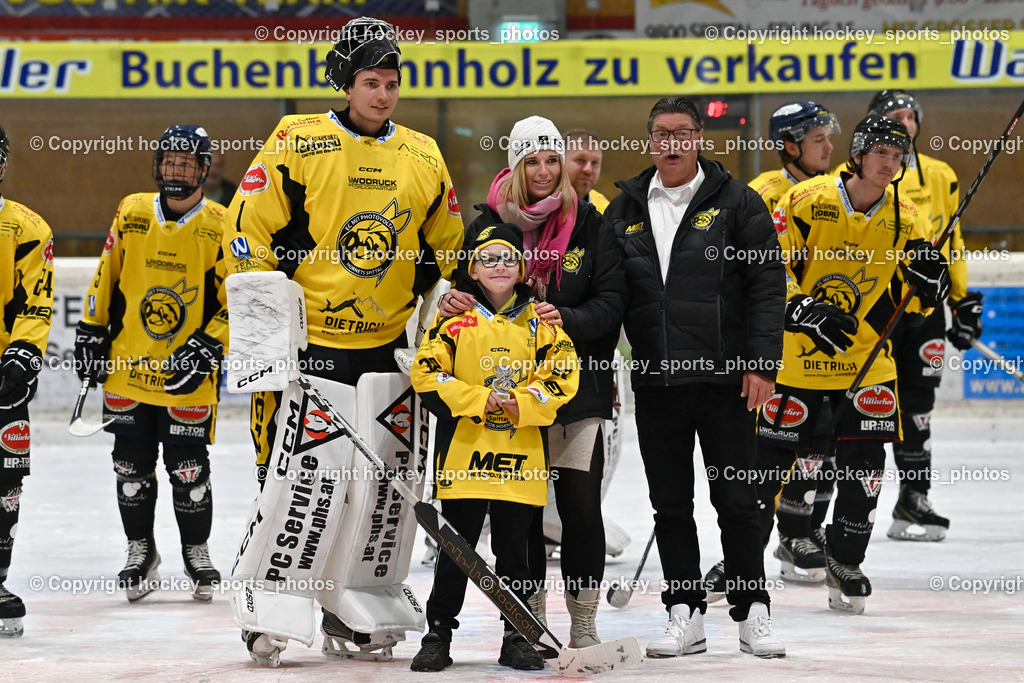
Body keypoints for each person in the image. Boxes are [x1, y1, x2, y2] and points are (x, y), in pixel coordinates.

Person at [221, 16, 464, 663]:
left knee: (379, 489)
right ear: (346, 84)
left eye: (392, 83)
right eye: (370, 82)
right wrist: (267, 347)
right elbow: (246, 235)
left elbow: (449, 253)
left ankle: (354, 598)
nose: (383, 94)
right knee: (304, 484)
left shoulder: (423, 155)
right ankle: (271, 599)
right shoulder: (297, 140)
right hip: (311, 351)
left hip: (387, 353)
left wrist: (446, 328)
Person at [604, 95, 786, 657]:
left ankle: (753, 611)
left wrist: (762, 363)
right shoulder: (625, 209)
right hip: (657, 383)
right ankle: (684, 613)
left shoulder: (739, 202)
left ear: (699, 137)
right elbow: (608, 295)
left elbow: (767, 287)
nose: (672, 143)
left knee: (738, 501)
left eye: (682, 133)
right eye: (662, 133)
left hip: (725, 382)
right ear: (649, 140)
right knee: (671, 506)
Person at [439, 115, 627, 649]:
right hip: (506, 398)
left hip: (577, 392)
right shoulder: (485, 225)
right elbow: (462, 295)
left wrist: (565, 318)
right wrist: (452, 299)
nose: (544, 172)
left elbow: (613, 302)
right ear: (515, 165)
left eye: (552, 160)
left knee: (580, 510)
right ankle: (531, 623)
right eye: (532, 161)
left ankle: (584, 624)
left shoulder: (591, 223)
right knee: (520, 517)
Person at [755, 114, 951, 615]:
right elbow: (769, 268)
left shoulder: (909, 217)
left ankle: (845, 561)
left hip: (868, 362)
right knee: (772, 465)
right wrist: (799, 306)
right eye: (881, 153)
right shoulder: (806, 199)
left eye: (898, 156)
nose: (890, 163)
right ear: (859, 154)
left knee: (865, 472)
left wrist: (931, 285)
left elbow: (912, 300)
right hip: (798, 359)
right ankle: (747, 556)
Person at [409, 223, 579, 672]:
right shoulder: (454, 319)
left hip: (521, 458)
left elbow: (563, 374)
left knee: (516, 552)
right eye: (488, 258)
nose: (499, 266)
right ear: (472, 268)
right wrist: (476, 399)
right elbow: (426, 372)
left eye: (508, 258)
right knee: (456, 549)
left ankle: (516, 636)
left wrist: (525, 401)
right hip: (464, 456)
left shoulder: (541, 321)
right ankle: (438, 633)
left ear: (521, 268)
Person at [73, 124, 229, 604]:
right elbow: (107, 273)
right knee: (130, 468)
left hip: (188, 376)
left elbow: (236, 298)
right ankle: (141, 550)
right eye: (169, 161)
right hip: (128, 369)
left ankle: (196, 551)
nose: (176, 170)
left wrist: (209, 343)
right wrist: (90, 329)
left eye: (186, 163)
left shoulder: (223, 223)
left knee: (189, 470)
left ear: (204, 169)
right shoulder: (133, 211)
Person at [733, 102, 842, 587]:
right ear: (790, 145)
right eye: (818, 139)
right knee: (775, 447)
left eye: (828, 137)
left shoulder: (837, 191)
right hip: (776, 348)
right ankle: (759, 542)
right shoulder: (762, 193)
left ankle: (803, 531)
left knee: (823, 445)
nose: (830, 147)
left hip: (826, 346)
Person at [866, 89, 980, 542]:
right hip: (877, 307)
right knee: (864, 405)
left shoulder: (940, 174)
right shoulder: (854, 175)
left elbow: (954, 238)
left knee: (918, 405)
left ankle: (914, 497)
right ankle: (828, 509)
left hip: (925, 306)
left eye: (910, 115)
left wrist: (962, 299)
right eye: (894, 115)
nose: (905, 122)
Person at [0, 124, 55, 638]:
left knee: (5, 481)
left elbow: (37, 300)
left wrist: (23, 355)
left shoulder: (27, 227)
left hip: (2, 377)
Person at [564, 129, 609, 213]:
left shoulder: (605, 208)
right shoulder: (540, 206)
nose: (588, 170)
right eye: (580, 160)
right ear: (560, 162)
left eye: (594, 162)